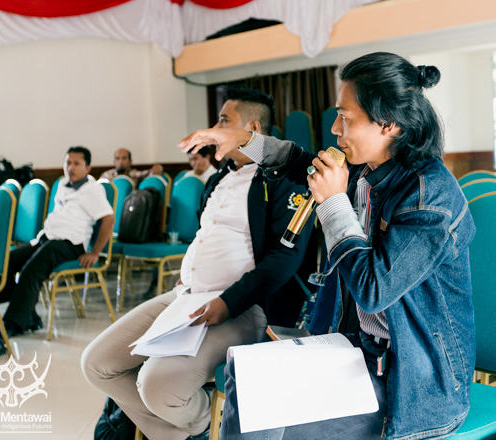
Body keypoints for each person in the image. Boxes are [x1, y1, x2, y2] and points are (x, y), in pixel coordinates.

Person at [179, 52, 476, 440]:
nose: (335, 128)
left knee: (273, 418)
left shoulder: (430, 199)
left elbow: (373, 290)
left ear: (388, 123)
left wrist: (334, 203)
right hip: (360, 351)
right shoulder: (365, 170)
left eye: (346, 117)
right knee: (245, 372)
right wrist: (243, 140)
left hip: (414, 378)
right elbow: (300, 161)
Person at [82, 88, 313, 440]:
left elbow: (285, 259)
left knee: (157, 386)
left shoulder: (285, 181)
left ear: (250, 128)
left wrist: (228, 302)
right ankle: (196, 428)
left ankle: (198, 425)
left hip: (242, 307)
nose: (215, 128)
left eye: (224, 120)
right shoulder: (219, 180)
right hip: (185, 297)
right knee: (97, 363)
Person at [0, 146, 115, 356]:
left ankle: (5, 333)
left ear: (88, 167)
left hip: (70, 244)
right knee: (7, 262)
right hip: (48, 239)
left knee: (31, 271)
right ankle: (28, 314)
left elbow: (108, 219)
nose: (71, 167)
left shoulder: (93, 190)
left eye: (77, 163)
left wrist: (95, 252)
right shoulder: (62, 184)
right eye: (68, 162)